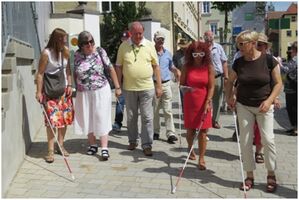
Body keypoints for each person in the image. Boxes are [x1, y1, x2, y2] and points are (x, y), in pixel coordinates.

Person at [226, 30, 282, 192]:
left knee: (268, 139)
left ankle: (271, 173)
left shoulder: (269, 60)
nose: (239, 47)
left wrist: (270, 100)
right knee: (245, 140)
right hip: (244, 105)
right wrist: (229, 97)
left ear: (252, 43)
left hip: (264, 105)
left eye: (242, 44)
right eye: (238, 44)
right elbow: (230, 81)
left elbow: (278, 84)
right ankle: (249, 175)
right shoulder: (239, 62)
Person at [115, 21, 162, 156]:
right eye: (135, 34)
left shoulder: (149, 46)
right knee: (131, 117)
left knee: (147, 117)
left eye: (140, 33)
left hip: (147, 87)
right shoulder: (123, 46)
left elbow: (156, 66)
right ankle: (133, 140)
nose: (138, 36)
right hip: (129, 88)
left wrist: (158, 85)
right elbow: (118, 66)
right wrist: (118, 86)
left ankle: (147, 144)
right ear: (130, 33)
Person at [73, 31, 121, 160]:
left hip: (100, 90)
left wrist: (117, 87)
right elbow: (74, 72)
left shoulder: (100, 51)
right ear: (80, 45)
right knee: (87, 117)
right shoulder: (77, 55)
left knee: (101, 116)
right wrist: (74, 87)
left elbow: (110, 68)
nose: (89, 44)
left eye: (91, 41)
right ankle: (93, 144)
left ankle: (104, 148)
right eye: (86, 43)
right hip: (83, 92)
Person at [35, 28, 74, 163]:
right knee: (52, 121)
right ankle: (50, 150)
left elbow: (68, 70)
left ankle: (60, 145)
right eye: (63, 39)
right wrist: (39, 92)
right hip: (50, 92)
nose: (65, 42)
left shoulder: (66, 51)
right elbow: (40, 73)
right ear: (57, 39)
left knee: (63, 120)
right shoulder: (46, 53)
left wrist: (70, 85)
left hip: (64, 92)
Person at [180, 41, 215, 170]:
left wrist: (208, 101)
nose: (198, 56)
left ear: (205, 53)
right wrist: (186, 89)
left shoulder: (209, 67)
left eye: (201, 53)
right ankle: (190, 148)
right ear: (191, 54)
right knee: (190, 131)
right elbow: (182, 84)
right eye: (195, 54)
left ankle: (202, 158)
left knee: (203, 132)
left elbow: (211, 86)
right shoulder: (186, 67)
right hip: (190, 101)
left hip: (204, 100)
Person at [153, 30, 181, 144]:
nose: (161, 41)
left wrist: (176, 70)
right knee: (154, 110)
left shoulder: (168, 53)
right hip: (154, 84)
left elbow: (171, 66)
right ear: (154, 40)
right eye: (159, 39)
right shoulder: (151, 52)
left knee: (168, 110)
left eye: (162, 39)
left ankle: (170, 133)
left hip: (166, 84)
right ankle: (155, 131)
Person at [204, 30, 228, 129]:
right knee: (206, 99)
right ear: (204, 37)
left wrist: (226, 76)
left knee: (217, 100)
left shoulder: (218, 47)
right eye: (207, 36)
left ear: (213, 37)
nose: (209, 38)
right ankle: (206, 120)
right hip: (205, 77)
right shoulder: (202, 48)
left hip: (217, 77)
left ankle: (215, 120)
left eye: (210, 36)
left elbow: (224, 62)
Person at [112, 31, 131, 132]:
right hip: (121, 81)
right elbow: (115, 66)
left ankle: (131, 123)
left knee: (132, 104)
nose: (124, 40)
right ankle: (118, 123)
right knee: (120, 102)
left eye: (126, 38)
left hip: (131, 81)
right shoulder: (120, 49)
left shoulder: (132, 49)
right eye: (123, 39)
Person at [280, 41, 297, 136]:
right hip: (291, 87)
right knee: (292, 107)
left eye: (291, 50)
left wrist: (278, 63)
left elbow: (286, 70)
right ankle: (294, 126)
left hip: (293, 88)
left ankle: (295, 127)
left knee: (292, 108)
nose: (290, 53)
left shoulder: (295, 60)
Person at [173, 38, 190, 111]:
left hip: (191, 77)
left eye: (185, 46)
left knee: (191, 95)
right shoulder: (176, 54)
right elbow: (174, 65)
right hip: (181, 77)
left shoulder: (191, 53)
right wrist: (176, 75)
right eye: (182, 46)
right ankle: (184, 111)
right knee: (183, 95)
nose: (184, 48)